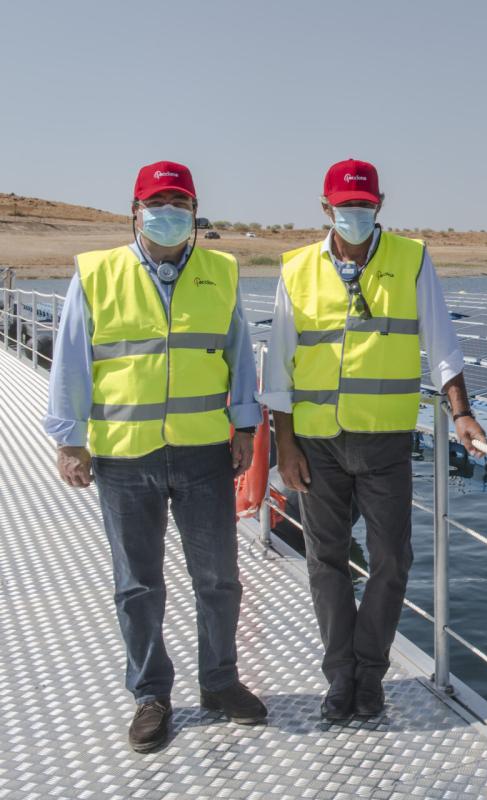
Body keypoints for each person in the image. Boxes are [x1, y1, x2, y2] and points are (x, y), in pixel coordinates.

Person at [44, 161, 267, 753]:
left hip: (202, 454)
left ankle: (219, 682)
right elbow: (71, 359)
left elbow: (239, 353)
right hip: (124, 456)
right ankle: (151, 695)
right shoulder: (96, 273)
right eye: (158, 201)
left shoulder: (221, 271)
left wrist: (245, 423)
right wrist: (70, 440)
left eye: (180, 202)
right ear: (135, 210)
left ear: (194, 214)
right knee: (138, 586)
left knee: (218, 579)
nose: (168, 212)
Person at [260, 158, 487, 720]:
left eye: (363, 205)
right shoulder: (295, 268)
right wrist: (284, 446)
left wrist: (461, 412)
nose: (354, 214)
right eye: (345, 205)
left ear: (379, 205)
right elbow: (280, 367)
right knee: (325, 560)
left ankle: (371, 670)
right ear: (325, 207)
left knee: (392, 559)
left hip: (384, 440)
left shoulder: (411, 260)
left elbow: (442, 343)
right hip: (317, 444)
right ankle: (342, 679)